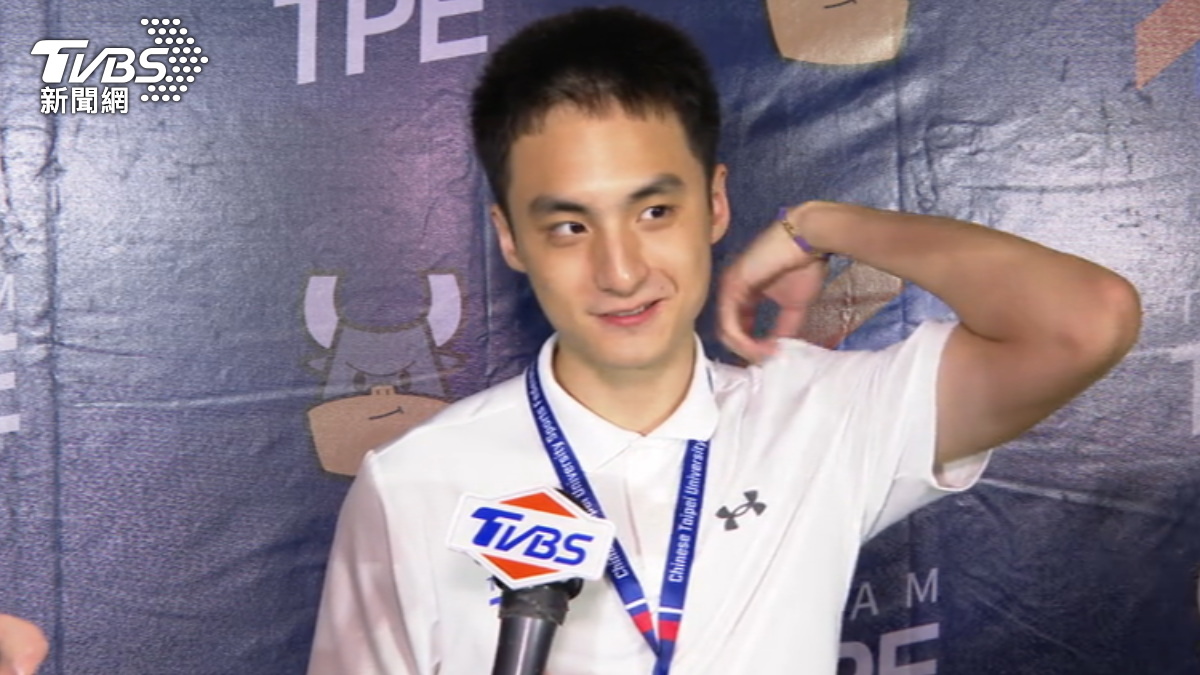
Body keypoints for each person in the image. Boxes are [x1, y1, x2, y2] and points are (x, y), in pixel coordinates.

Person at [307, 6, 1140, 674]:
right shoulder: (414, 481)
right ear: (511, 239)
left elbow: (1087, 318)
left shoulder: (818, 415)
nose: (621, 271)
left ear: (714, 204)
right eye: (569, 225)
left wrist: (821, 226)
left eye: (654, 210)